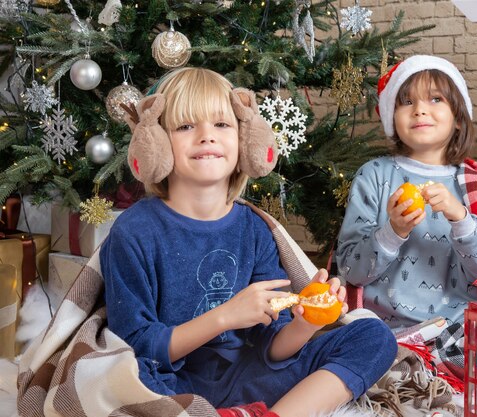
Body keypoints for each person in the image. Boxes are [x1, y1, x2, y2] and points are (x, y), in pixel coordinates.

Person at [100, 67, 397, 417]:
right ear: (158, 145)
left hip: (247, 378)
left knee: (375, 338)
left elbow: (272, 349)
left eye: (222, 125)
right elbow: (135, 345)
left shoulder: (254, 229)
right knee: (123, 381)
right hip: (170, 384)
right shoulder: (134, 232)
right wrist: (223, 317)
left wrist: (306, 322)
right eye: (185, 126)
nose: (206, 136)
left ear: (245, 141)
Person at [336, 55, 477, 330]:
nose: (419, 110)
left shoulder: (474, 185)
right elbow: (351, 271)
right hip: (381, 330)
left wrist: (462, 219)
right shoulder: (374, 176)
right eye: (407, 101)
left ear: (457, 117)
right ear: (392, 117)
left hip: (459, 331)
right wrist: (392, 232)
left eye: (435, 99)